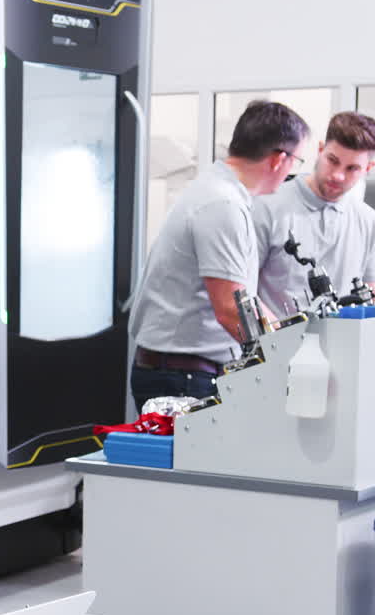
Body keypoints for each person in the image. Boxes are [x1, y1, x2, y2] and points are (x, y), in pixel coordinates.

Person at [128, 100, 309, 411]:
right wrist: (293, 361)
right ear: (280, 159)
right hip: (182, 376)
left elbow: (243, 295)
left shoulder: (219, 191)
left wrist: (289, 335)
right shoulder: (221, 204)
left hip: (183, 369)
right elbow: (231, 308)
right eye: (298, 161)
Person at [253, 111, 375, 314]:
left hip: (345, 342)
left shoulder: (368, 220)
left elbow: (374, 293)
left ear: (368, 168)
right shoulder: (267, 207)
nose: (338, 175)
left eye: (352, 168)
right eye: (332, 160)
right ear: (321, 149)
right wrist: (277, 339)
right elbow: (243, 291)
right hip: (279, 342)